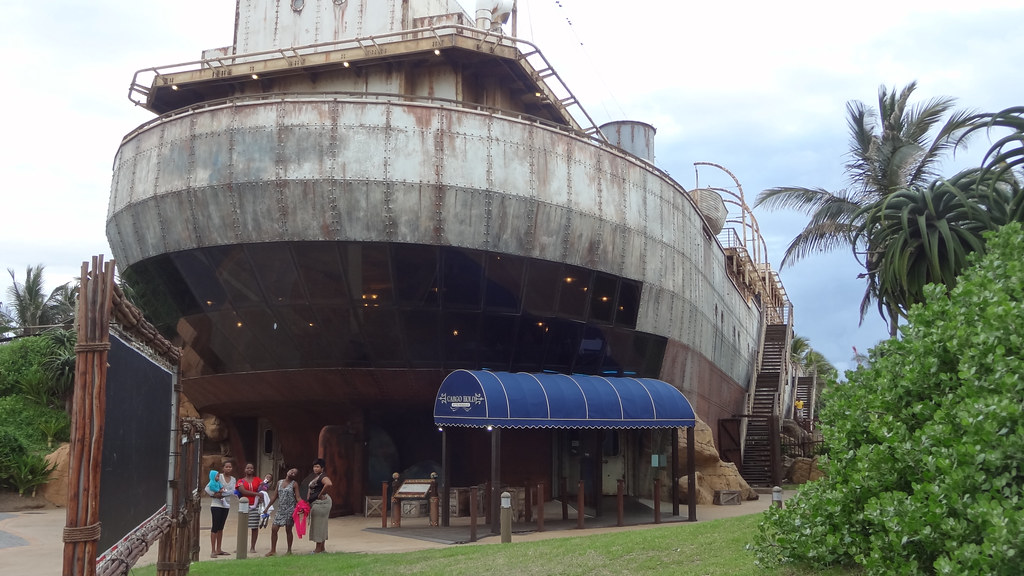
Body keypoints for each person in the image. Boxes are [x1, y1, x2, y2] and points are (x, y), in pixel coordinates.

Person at [265, 468, 300, 556]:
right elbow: (274, 496)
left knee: (288, 530)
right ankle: (273, 550)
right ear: (288, 471)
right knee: (274, 529)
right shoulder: (279, 482)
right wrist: (267, 507)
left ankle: (289, 550)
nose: (292, 472)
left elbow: (298, 497)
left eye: (294, 473)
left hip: (290, 509)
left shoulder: (294, 484)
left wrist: (303, 506)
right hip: (280, 509)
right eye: (292, 470)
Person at [203, 460, 235, 558]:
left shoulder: (233, 479)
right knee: (215, 527)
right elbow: (207, 488)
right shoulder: (218, 476)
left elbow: (232, 491)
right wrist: (214, 495)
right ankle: (213, 550)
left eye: (230, 467)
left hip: (226, 505)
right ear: (223, 468)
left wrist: (223, 494)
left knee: (221, 527)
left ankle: (219, 549)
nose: (228, 468)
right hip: (216, 504)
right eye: (226, 467)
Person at [235, 462, 263, 553]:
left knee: (254, 527)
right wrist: (256, 494)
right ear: (245, 470)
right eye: (248, 468)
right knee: (242, 527)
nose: (249, 469)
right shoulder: (241, 481)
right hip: (244, 505)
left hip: (255, 506)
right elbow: (243, 491)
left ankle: (252, 547)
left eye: (251, 468)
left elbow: (263, 488)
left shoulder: (258, 480)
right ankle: (240, 546)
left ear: (253, 470)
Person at [307, 458, 333, 553]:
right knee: (321, 524)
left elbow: (328, 484)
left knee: (319, 525)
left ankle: (318, 549)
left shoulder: (323, 477)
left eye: (317, 467)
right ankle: (322, 548)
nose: (315, 468)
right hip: (317, 502)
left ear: (322, 468)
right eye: (314, 466)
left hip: (321, 503)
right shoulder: (317, 477)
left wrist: (320, 494)